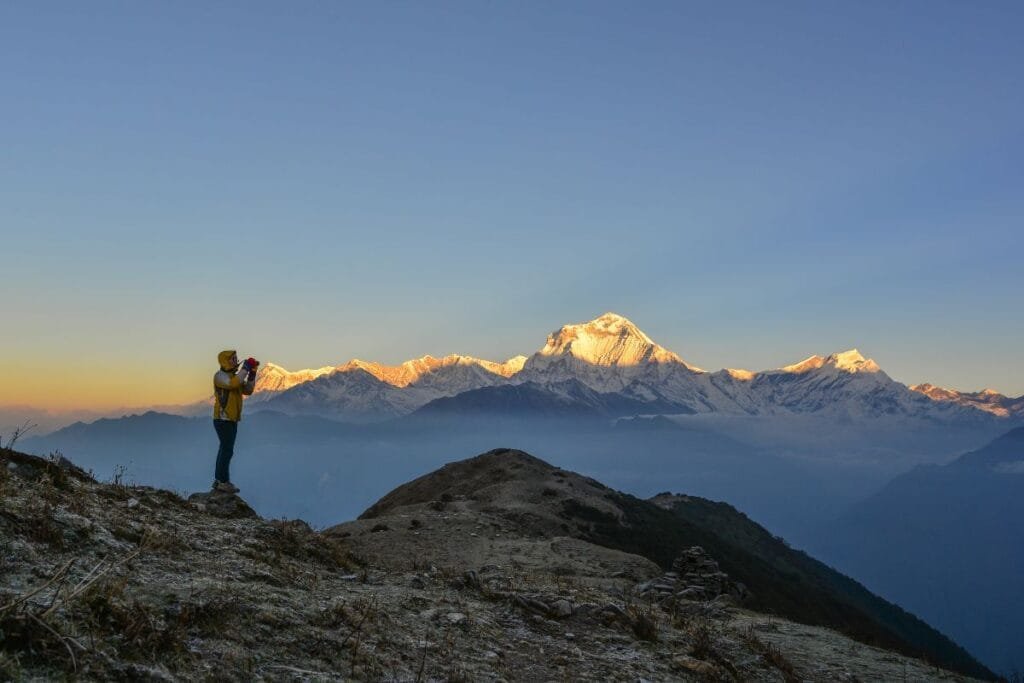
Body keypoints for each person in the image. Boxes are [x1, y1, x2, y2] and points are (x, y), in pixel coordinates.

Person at [212, 350, 258, 493]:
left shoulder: (234, 376)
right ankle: (222, 481)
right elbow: (233, 384)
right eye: (233, 358)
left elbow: (248, 390)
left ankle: (221, 480)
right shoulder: (220, 376)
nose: (235, 360)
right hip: (223, 419)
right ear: (225, 361)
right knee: (227, 450)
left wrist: (252, 373)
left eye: (236, 358)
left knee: (226, 450)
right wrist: (246, 368)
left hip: (231, 419)